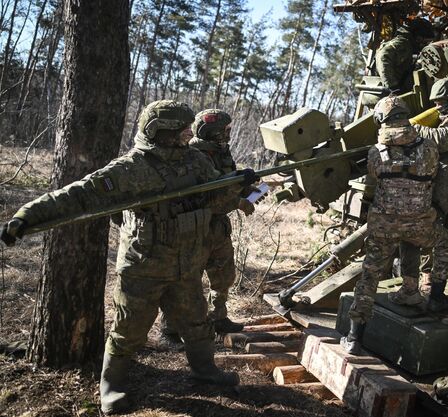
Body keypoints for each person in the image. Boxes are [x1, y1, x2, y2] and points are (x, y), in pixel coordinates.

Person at [0, 100, 258, 414]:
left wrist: (236, 186)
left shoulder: (195, 160)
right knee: (128, 330)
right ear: (162, 132)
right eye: (184, 128)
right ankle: (111, 386)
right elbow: (79, 194)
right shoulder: (131, 168)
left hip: (187, 266)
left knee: (197, 322)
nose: (191, 133)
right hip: (144, 267)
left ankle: (206, 371)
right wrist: (26, 216)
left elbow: (215, 202)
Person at [340, 94, 448, 354]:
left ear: (382, 120)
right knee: (445, 243)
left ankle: (354, 338)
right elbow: (435, 173)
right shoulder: (430, 148)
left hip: (384, 228)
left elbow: (374, 176)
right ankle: (435, 296)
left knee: (370, 276)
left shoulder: (375, 153)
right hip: (419, 226)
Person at [391, 78, 448, 312]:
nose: (438, 106)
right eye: (436, 102)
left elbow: (442, 140)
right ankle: (413, 289)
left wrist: (413, 128)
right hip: (437, 179)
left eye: (442, 101)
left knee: (430, 232)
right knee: (412, 234)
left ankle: (433, 293)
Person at [160, 109, 252, 340]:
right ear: (214, 131)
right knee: (187, 278)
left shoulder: (221, 152)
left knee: (223, 274)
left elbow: (224, 183)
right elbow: (207, 196)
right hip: (196, 226)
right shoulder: (192, 155)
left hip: (218, 227)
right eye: (226, 129)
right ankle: (171, 329)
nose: (229, 134)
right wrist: (238, 201)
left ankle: (218, 318)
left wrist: (246, 185)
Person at [375, 18, 435, 93]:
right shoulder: (402, 44)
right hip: (390, 92)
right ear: (418, 38)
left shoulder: (409, 46)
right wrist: (393, 86)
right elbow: (383, 56)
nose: (426, 45)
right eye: (425, 42)